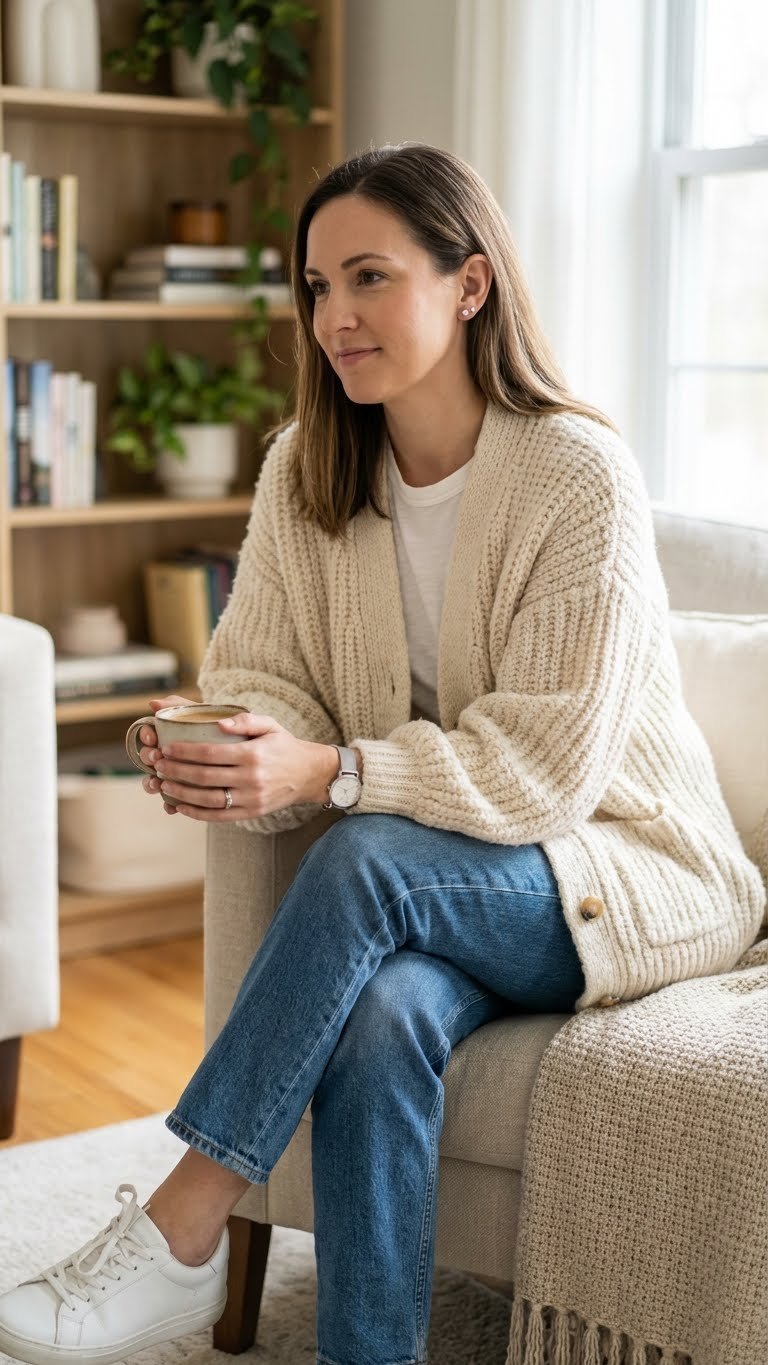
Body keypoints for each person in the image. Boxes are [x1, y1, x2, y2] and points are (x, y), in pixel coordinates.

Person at [0, 142, 763, 1365]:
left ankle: (179, 1225)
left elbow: (549, 769)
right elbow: (262, 677)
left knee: (365, 856)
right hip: (461, 886)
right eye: (315, 287)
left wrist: (330, 772)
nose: (334, 317)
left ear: (469, 286)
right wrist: (234, 748)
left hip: (622, 872)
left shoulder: (577, 474)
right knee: (380, 1014)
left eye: (369, 278)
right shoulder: (305, 471)